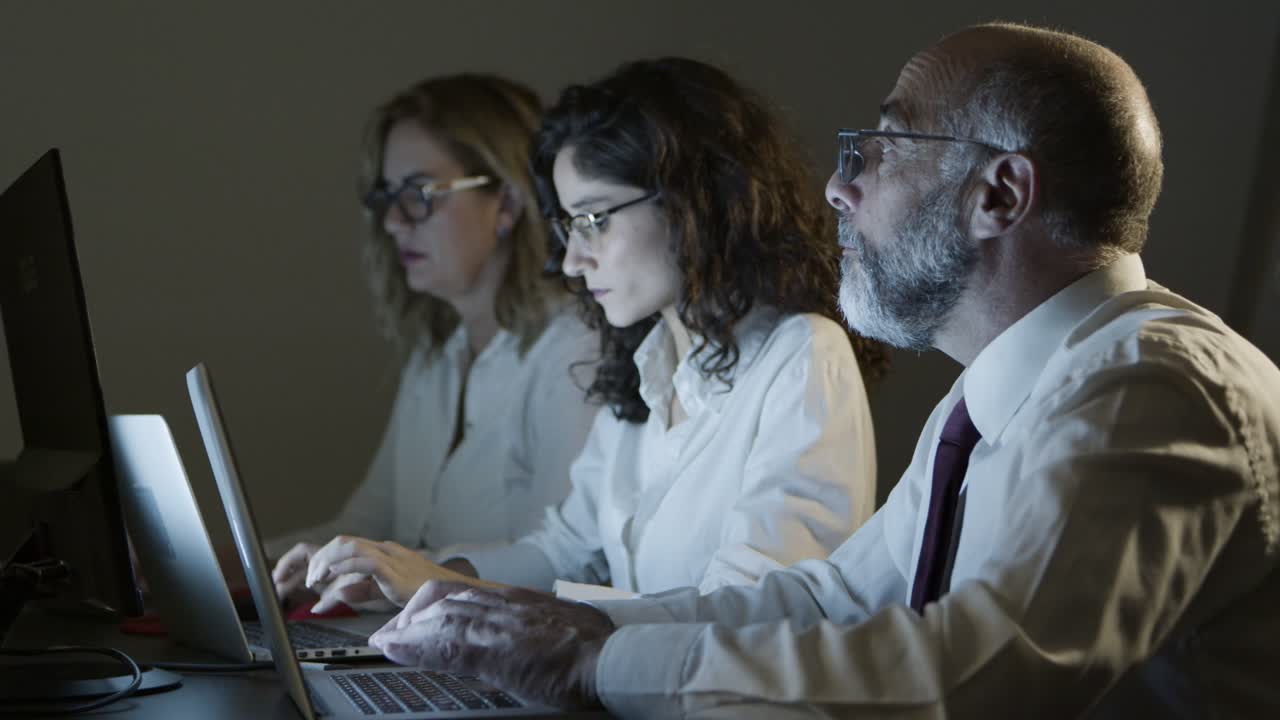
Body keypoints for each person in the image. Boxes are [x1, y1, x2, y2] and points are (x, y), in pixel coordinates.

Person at [367, 23, 1280, 717]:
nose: (840, 187)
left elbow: (973, 672)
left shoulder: (1149, 386)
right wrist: (584, 628)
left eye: (882, 148)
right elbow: (835, 596)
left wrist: (591, 665)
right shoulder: (1001, 390)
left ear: (999, 193)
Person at [304, 57, 888, 606]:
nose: (572, 261)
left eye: (593, 220)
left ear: (693, 201)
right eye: (568, 225)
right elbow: (563, 551)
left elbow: (749, 614)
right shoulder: (645, 370)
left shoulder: (802, 356)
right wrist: (417, 577)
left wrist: (473, 597)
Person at [267, 74, 600, 612]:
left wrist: (407, 575)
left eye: (419, 194)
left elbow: (566, 562)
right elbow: (362, 529)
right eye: (386, 196)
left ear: (508, 203)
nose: (394, 222)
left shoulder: (573, 353)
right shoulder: (436, 360)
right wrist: (227, 565)